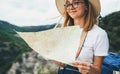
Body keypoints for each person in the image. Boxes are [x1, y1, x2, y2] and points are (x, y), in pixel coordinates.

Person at [53, 0, 109, 74]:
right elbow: (62, 64)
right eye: (68, 4)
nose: (71, 7)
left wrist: (90, 69)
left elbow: (97, 71)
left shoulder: (99, 34)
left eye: (75, 3)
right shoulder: (65, 32)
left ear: (86, 6)